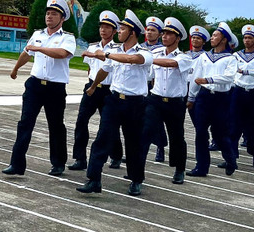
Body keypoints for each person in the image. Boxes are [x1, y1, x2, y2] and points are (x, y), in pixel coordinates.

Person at [77, 10, 153, 196]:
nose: (119, 31)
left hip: (136, 104)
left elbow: (131, 59)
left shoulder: (145, 53)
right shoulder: (115, 52)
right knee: (102, 138)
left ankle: (136, 179)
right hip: (114, 100)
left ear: (132, 32)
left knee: (134, 143)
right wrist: (94, 85)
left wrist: (107, 55)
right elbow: (104, 70)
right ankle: (93, 179)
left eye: (123, 29)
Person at [3, 0, 76, 177]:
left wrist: (40, 49)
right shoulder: (38, 35)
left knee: (56, 126)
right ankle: (17, 164)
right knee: (25, 123)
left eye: (54, 14)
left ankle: (58, 163)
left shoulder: (67, 38)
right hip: (35, 85)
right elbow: (26, 53)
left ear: (62, 18)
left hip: (55, 88)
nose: (49, 17)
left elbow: (62, 54)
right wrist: (15, 68)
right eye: (48, 13)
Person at [68, 9, 123, 171]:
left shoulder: (117, 50)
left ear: (114, 31)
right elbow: (89, 68)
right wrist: (91, 84)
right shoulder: (92, 47)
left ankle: (116, 155)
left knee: (109, 125)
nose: (103, 30)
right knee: (81, 121)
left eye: (107, 27)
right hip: (92, 88)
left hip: (109, 90)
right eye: (101, 27)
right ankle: (80, 158)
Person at [142, 17, 193, 184]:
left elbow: (171, 63)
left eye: (169, 34)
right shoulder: (155, 54)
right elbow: (148, 75)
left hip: (175, 102)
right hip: (155, 99)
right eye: (163, 33)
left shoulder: (184, 57)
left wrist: (148, 59)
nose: (164, 36)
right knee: (145, 133)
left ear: (178, 38)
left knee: (177, 137)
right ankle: (137, 171)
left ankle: (179, 169)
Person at [185, 22, 238, 177]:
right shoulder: (204, 56)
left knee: (220, 134)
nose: (212, 38)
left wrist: (209, 80)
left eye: (216, 35)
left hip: (221, 99)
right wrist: (191, 97)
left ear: (223, 40)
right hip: (204, 97)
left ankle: (230, 158)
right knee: (200, 132)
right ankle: (201, 167)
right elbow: (196, 78)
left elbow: (229, 77)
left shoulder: (230, 58)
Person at [224, 24, 254, 169]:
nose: (247, 40)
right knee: (233, 125)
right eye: (245, 37)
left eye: (250, 38)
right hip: (238, 92)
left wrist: (246, 71)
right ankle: (231, 157)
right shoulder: (236, 55)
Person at [142, 16, 167, 163]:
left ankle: (160, 147)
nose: (149, 33)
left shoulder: (162, 50)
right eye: (148, 30)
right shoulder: (139, 47)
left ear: (159, 34)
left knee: (156, 121)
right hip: (140, 85)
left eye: (153, 30)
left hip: (153, 86)